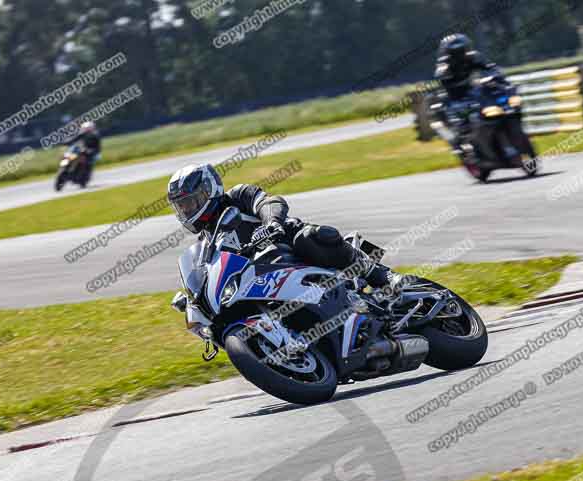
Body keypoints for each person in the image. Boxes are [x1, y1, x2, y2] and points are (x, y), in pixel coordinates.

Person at [166, 164, 395, 289]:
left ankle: (382, 276)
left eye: (189, 202)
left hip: (287, 245)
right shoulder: (206, 243)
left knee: (308, 237)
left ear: (208, 190)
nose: (187, 210)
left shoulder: (237, 196)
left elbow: (269, 202)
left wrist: (272, 223)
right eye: (181, 206)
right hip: (265, 279)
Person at [432, 33, 507, 153]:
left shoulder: (474, 57)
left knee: (496, 105)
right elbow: (444, 86)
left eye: (462, 50)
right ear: (448, 53)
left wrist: (496, 75)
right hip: (455, 98)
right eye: (455, 51)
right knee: (452, 115)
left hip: (473, 93)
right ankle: (456, 141)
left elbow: (490, 68)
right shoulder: (443, 69)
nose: (460, 54)